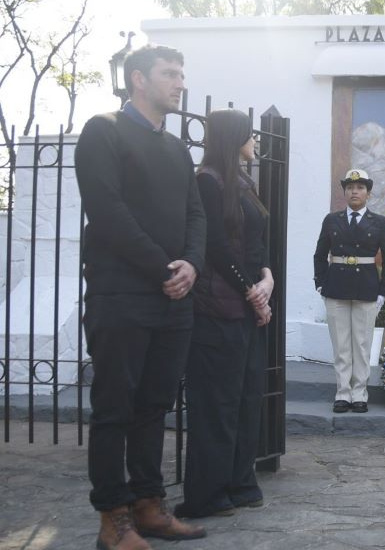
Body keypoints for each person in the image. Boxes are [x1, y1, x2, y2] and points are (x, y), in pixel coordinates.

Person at [75, 44, 207, 549]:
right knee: (115, 408)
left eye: (181, 73)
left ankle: (149, 505)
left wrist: (191, 264)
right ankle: (114, 519)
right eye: (169, 73)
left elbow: (197, 215)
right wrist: (162, 268)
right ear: (137, 79)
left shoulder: (176, 149)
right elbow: (107, 212)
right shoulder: (103, 130)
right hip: (121, 294)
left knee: (154, 406)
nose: (179, 82)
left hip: (173, 298)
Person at [175, 109, 274, 519]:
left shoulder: (245, 184)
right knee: (215, 403)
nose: (256, 143)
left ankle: (239, 483)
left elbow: (254, 241)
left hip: (247, 307)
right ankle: (208, 493)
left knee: (246, 399)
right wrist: (251, 291)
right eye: (251, 136)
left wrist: (266, 278)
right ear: (234, 138)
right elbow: (214, 245)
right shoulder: (207, 182)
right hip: (218, 309)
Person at [314, 169, 385, 413]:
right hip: (336, 287)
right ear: (345, 192)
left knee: (361, 344)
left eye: (360, 187)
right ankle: (342, 393)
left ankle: (360, 393)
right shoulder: (332, 220)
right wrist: (320, 283)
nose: (354, 191)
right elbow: (320, 254)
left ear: (368, 193)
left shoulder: (379, 222)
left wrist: (384, 292)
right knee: (341, 345)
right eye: (350, 188)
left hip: (367, 288)